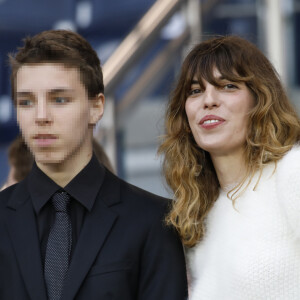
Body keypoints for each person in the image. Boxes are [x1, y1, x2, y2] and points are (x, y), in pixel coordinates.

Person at [0, 30, 187, 300]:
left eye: (59, 99)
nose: (41, 116)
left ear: (96, 107)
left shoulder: (153, 221)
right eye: (26, 102)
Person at [159, 35, 300, 299]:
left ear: (260, 100)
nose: (208, 101)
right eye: (195, 91)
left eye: (228, 86)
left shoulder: (292, 172)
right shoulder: (202, 216)